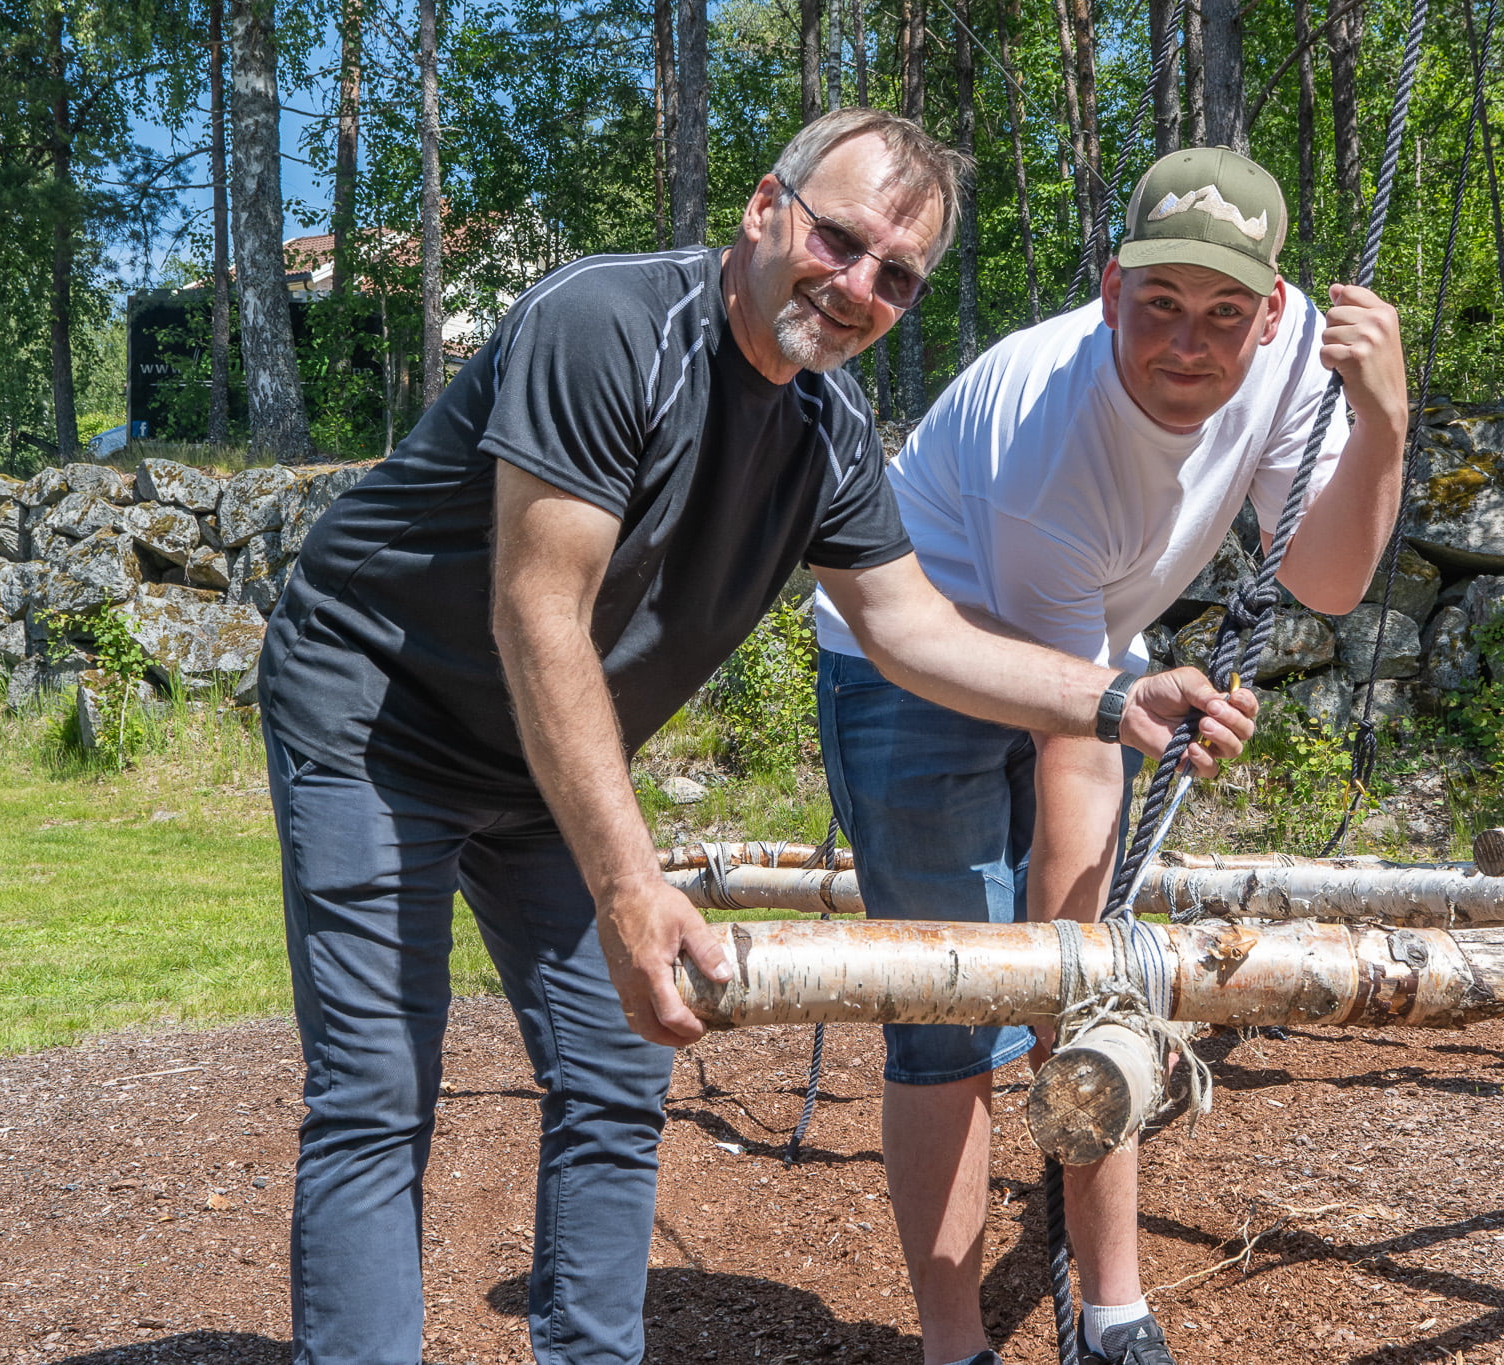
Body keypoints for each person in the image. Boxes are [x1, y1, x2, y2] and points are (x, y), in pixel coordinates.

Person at [257, 110, 1256, 1365]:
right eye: (840, 240)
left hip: (547, 756)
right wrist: (633, 886)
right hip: (378, 712)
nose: (855, 287)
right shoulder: (606, 327)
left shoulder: (827, 433)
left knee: (619, 1076)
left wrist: (1114, 700)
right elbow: (539, 611)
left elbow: (909, 632)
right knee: (376, 1091)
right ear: (761, 209)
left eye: (896, 277)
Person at [812, 146, 1409, 1365]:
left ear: (1273, 312)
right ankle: (950, 1346)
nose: (1188, 344)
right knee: (955, 1011)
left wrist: (1384, 422)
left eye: (1223, 313)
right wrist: (1078, 961)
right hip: (907, 664)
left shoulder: (1297, 365)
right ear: (1107, 290)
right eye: (1159, 307)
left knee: (1095, 985)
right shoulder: (1052, 438)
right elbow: (1066, 741)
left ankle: (1113, 1310)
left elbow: (1329, 578)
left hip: (1084, 652)